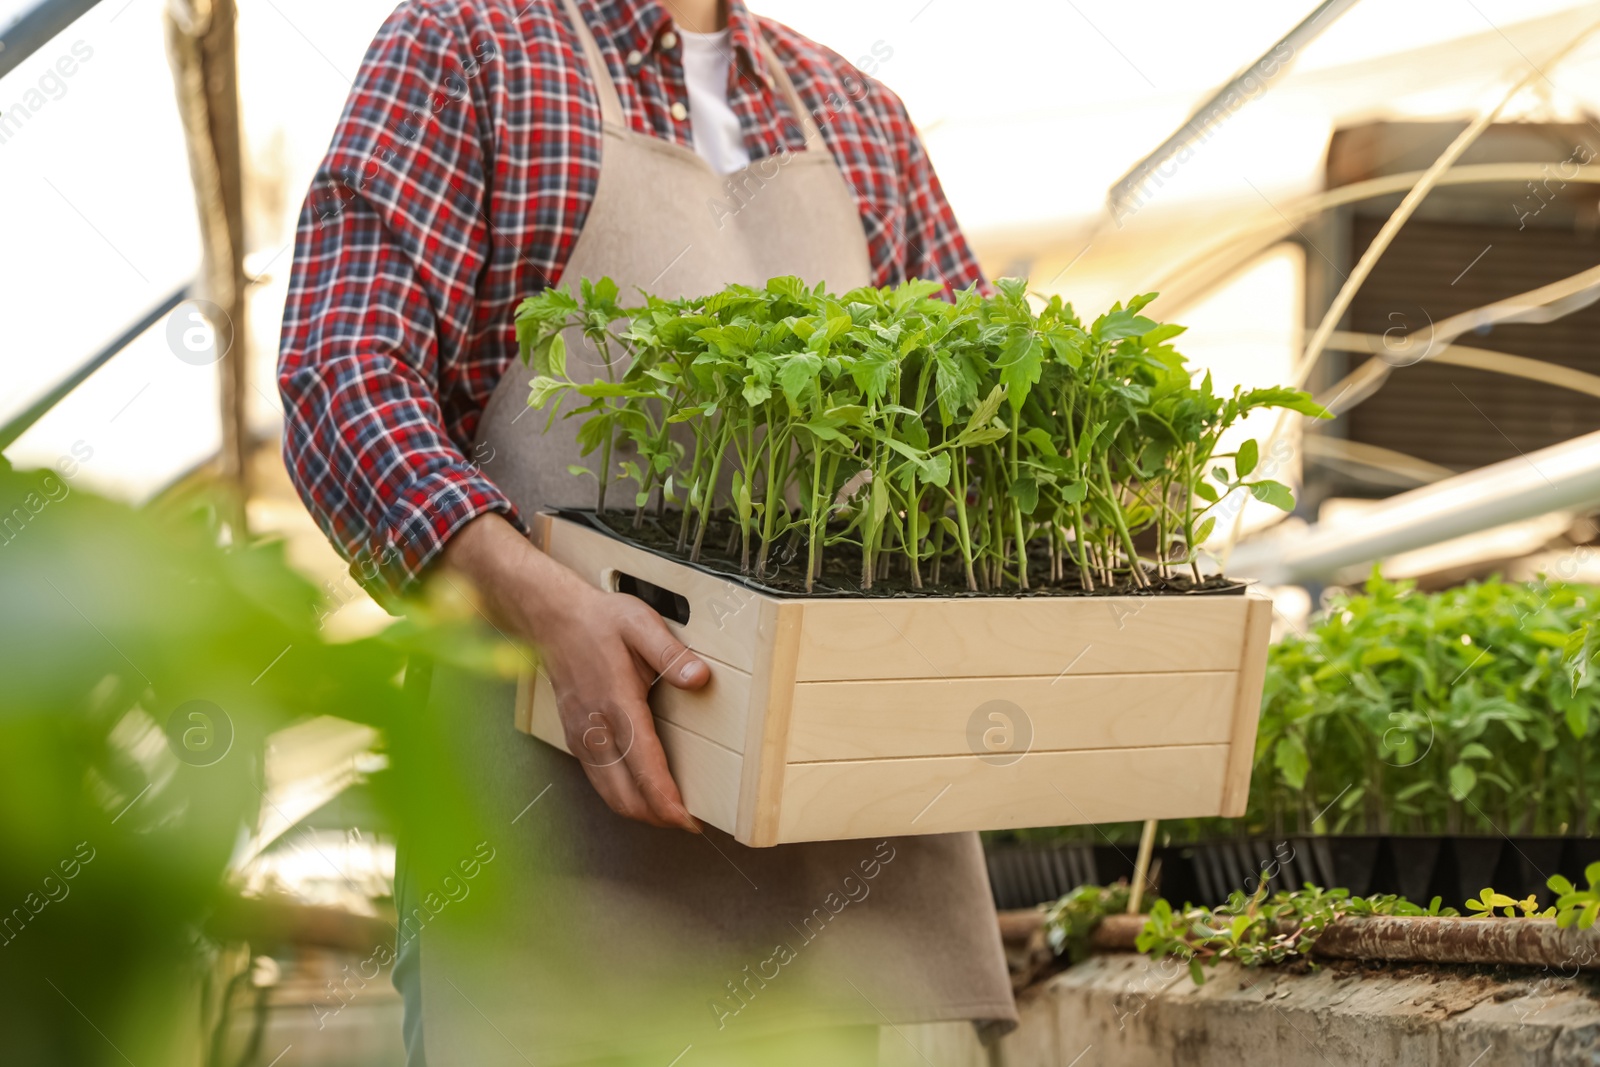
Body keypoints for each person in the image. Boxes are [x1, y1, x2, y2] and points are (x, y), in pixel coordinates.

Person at [277, 0, 1015, 1063]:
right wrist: (542, 601)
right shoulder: (469, 49)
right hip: (562, 900)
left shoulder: (863, 118)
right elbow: (343, 374)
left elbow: (980, 436)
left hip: (875, 915)